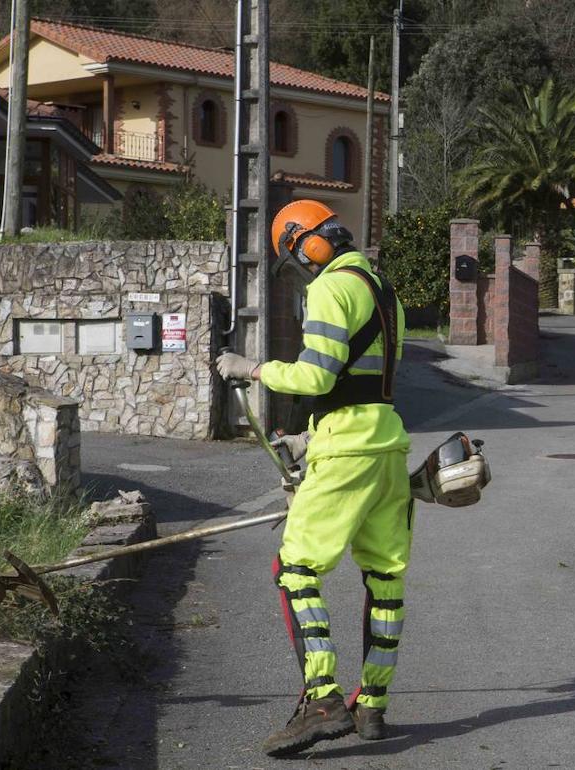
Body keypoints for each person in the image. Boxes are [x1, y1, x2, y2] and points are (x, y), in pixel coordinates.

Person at [215, 200, 410, 756]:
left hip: (347, 450)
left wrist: (250, 369)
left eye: (296, 256)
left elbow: (316, 376)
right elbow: (365, 378)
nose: (301, 268)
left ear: (308, 242)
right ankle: (370, 705)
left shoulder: (330, 287)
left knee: (295, 567)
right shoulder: (382, 287)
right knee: (385, 578)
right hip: (387, 445)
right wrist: (309, 437)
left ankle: (323, 697)